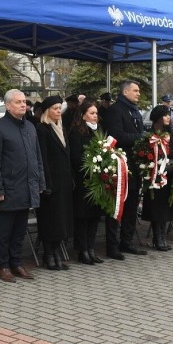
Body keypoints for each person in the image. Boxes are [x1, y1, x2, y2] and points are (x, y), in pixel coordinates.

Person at [0, 89, 46, 282]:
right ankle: (2, 266)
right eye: (18, 102)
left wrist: (40, 182)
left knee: (20, 230)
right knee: (6, 231)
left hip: (27, 187)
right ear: (8, 105)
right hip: (9, 188)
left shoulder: (30, 127)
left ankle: (16, 263)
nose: (23, 105)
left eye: (24, 102)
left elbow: (37, 158)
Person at [103, 80, 147, 259]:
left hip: (135, 167)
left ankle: (126, 241)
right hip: (120, 166)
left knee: (131, 207)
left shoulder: (134, 110)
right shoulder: (115, 111)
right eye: (135, 91)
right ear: (125, 92)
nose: (138, 94)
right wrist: (141, 137)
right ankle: (112, 246)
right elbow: (117, 136)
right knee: (116, 208)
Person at [35, 95, 74, 270]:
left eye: (60, 108)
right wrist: (46, 183)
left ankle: (57, 251)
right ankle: (48, 254)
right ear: (47, 111)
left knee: (62, 219)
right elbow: (42, 158)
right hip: (50, 183)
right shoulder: (42, 129)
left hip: (64, 182)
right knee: (50, 220)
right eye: (55, 108)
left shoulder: (62, 128)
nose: (59, 111)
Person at [68, 100, 105, 265]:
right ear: (83, 115)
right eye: (91, 113)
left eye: (96, 113)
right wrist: (91, 163)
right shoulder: (76, 132)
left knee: (94, 217)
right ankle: (82, 250)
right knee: (83, 217)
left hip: (98, 180)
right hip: (83, 181)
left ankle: (91, 248)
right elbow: (75, 156)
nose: (95, 116)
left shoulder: (98, 132)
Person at [141, 105, 173, 251]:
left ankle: (162, 236)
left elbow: (172, 152)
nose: (168, 117)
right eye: (165, 115)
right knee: (157, 208)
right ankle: (157, 238)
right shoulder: (150, 136)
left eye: (169, 115)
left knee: (165, 208)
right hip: (154, 177)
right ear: (158, 118)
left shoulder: (170, 134)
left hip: (168, 175)